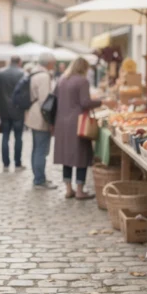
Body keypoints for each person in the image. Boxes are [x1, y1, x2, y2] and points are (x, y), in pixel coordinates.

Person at [54, 57, 102, 200]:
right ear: (84, 68)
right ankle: (80, 190)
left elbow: (56, 100)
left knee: (66, 156)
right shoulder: (82, 81)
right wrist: (101, 102)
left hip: (61, 122)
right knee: (81, 155)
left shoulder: (62, 80)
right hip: (78, 122)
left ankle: (68, 189)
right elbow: (85, 102)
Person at [26, 52, 57, 189]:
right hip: (40, 116)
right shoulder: (44, 76)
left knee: (36, 148)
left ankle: (38, 177)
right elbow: (46, 102)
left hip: (33, 114)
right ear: (49, 63)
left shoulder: (34, 72)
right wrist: (51, 122)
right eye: (53, 62)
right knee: (41, 150)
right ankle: (39, 179)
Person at [0, 55, 25, 172]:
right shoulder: (23, 74)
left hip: (4, 109)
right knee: (18, 137)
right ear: (19, 62)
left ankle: (5, 164)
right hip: (18, 110)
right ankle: (18, 163)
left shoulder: (0, 73)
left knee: (5, 137)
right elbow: (25, 93)